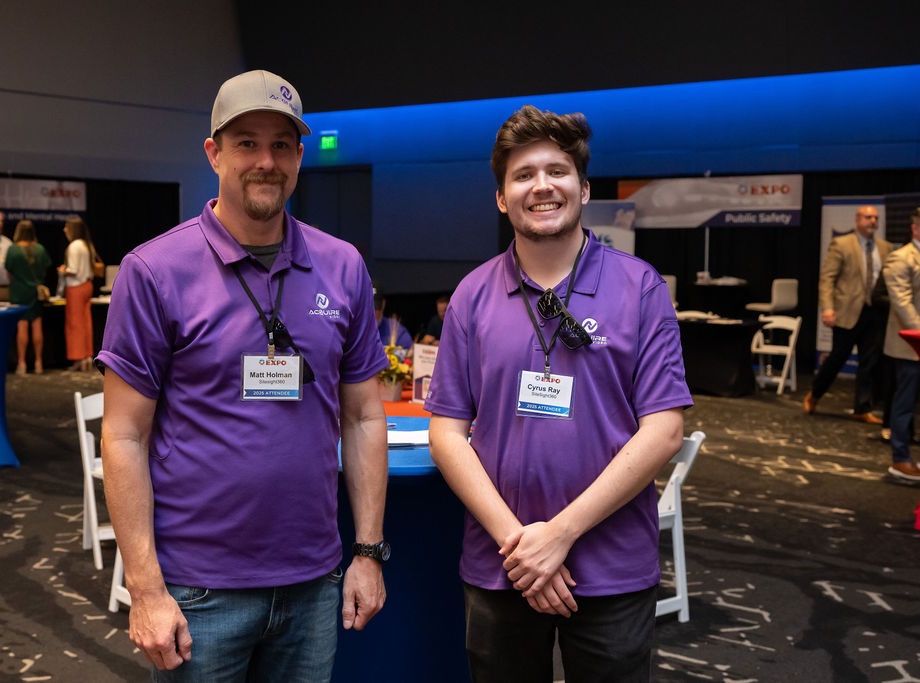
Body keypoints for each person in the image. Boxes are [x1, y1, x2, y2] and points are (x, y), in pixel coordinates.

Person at [97, 69, 390, 681]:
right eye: (246, 143)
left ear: (300, 156)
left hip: (313, 582)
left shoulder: (342, 266)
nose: (266, 161)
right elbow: (124, 436)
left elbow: (363, 415)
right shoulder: (153, 271)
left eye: (282, 144)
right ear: (213, 153)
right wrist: (146, 589)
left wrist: (367, 552)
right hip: (199, 591)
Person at [424, 105, 692, 682]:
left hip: (611, 567)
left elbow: (665, 428)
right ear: (501, 198)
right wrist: (522, 548)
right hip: (503, 566)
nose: (541, 185)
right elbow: (446, 432)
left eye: (557, 170)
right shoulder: (472, 295)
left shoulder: (640, 287)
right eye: (523, 175)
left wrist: (561, 534)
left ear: (584, 188)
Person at [803, 206, 891, 422]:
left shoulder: (885, 247)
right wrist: (828, 308)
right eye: (868, 217)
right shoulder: (842, 244)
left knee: (869, 362)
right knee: (837, 358)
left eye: (875, 218)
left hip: (875, 312)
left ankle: (862, 408)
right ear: (858, 219)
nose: (872, 221)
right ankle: (815, 393)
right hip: (847, 312)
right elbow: (827, 279)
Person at [881, 207, 920, 482]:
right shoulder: (901, 258)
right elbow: (902, 302)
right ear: (915, 228)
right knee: (905, 401)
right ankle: (900, 459)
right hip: (910, 344)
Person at [4, 220, 52, 375]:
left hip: (19, 292)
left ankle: (22, 363)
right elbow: (45, 270)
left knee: (22, 326)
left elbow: (8, 272)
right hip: (36, 293)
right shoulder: (40, 249)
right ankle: (39, 363)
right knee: (37, 325)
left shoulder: (13, 250)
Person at [57, 216, 96, 371]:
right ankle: (87, 356)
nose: (64, 229)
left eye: (67, 227)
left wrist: (62, 270)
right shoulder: (87, 245)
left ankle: (78, 358)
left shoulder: (73, 246)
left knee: (75, 324)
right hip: (87, 285)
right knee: (86, 322)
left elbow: (73, 270)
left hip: (76, 288)